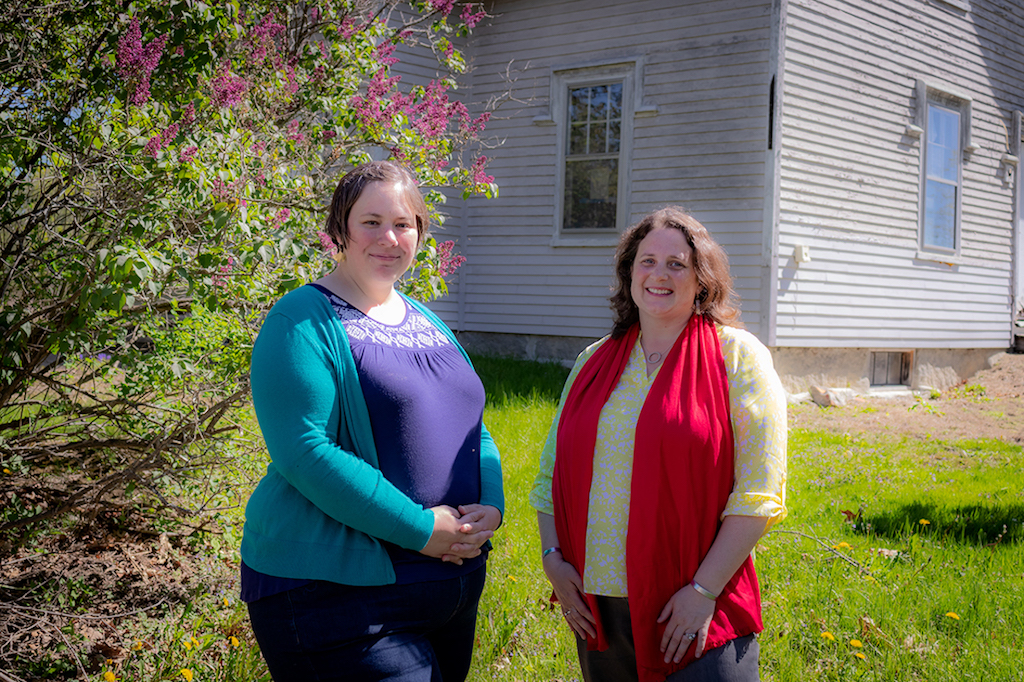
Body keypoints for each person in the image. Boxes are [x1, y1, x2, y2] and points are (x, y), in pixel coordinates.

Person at [241, 161, 504, 682]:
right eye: (371, 221)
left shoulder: (425, 320)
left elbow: (473, 424)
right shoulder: (300, 319)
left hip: (449, 587)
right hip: (339, 598)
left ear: (420, 233)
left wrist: (491, 507)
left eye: (403, 223)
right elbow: (304, 450)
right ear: (339, 229)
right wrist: (420, 528)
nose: (389, 237)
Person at [530, 207, 787, 682]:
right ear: (629, 272)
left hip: (691, 603)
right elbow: (549, 478)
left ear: (702, 279)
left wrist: (704, 592)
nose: (659, 274)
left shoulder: (737, 356)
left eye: (677, 263)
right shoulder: (593, 361)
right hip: (598, 605)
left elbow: (759, 493)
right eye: (647, 261)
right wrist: (553, 563)